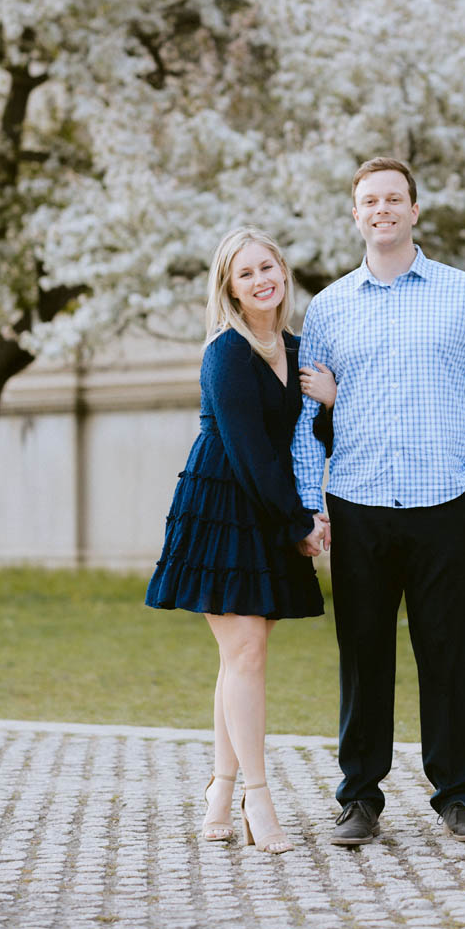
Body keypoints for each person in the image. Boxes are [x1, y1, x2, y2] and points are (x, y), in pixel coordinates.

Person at [292, 157, 465, 847]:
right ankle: (360, 797)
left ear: (414, 210)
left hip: (446, 501)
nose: (382, 208)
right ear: (355, 215)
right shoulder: (328, 308)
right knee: (362, 655)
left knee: (445, 651)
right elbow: (307, 417)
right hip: (357, 504)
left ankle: (456, 795)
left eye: (394, 198)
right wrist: (311, 504)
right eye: (369, 200)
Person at [146, 227, 336, 854]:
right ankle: (259, 797)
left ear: (282, 271)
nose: (261, 280)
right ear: (230, 287)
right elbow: (250, 451)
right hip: (221, 508)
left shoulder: (297, 348)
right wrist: (300, 523)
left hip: (268, 506)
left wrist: (330, 404)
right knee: (247, 652)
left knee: (240, 659)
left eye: (268, 267)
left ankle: (220, 791)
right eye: (245, 273)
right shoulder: (227, 352)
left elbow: (308, 435)